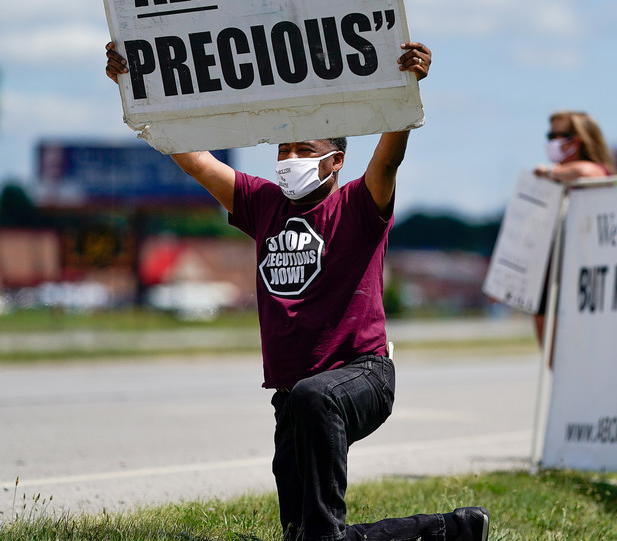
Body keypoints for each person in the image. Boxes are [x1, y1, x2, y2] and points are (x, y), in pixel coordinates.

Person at [105, 42, 490, 541]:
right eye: (283, 150)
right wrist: (138, 88)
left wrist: (406, 90)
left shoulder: (357, 206)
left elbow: (388, 159)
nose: (288, 160)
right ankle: (452, 530)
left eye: (303, 150)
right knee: (304, 534)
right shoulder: (263, 204)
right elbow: (197, 162)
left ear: (335, 161)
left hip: (361, 375)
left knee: (315, 407)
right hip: (293, 398)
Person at [532, 110, 617, 350]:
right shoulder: (552, 185)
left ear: (579, 140)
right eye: (550, 136)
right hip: (549, 281)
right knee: (551, 356)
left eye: (560, 136)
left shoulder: (595, 175)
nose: (553, 142)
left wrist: (550, 173)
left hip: (585, 282)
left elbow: (589, 172)